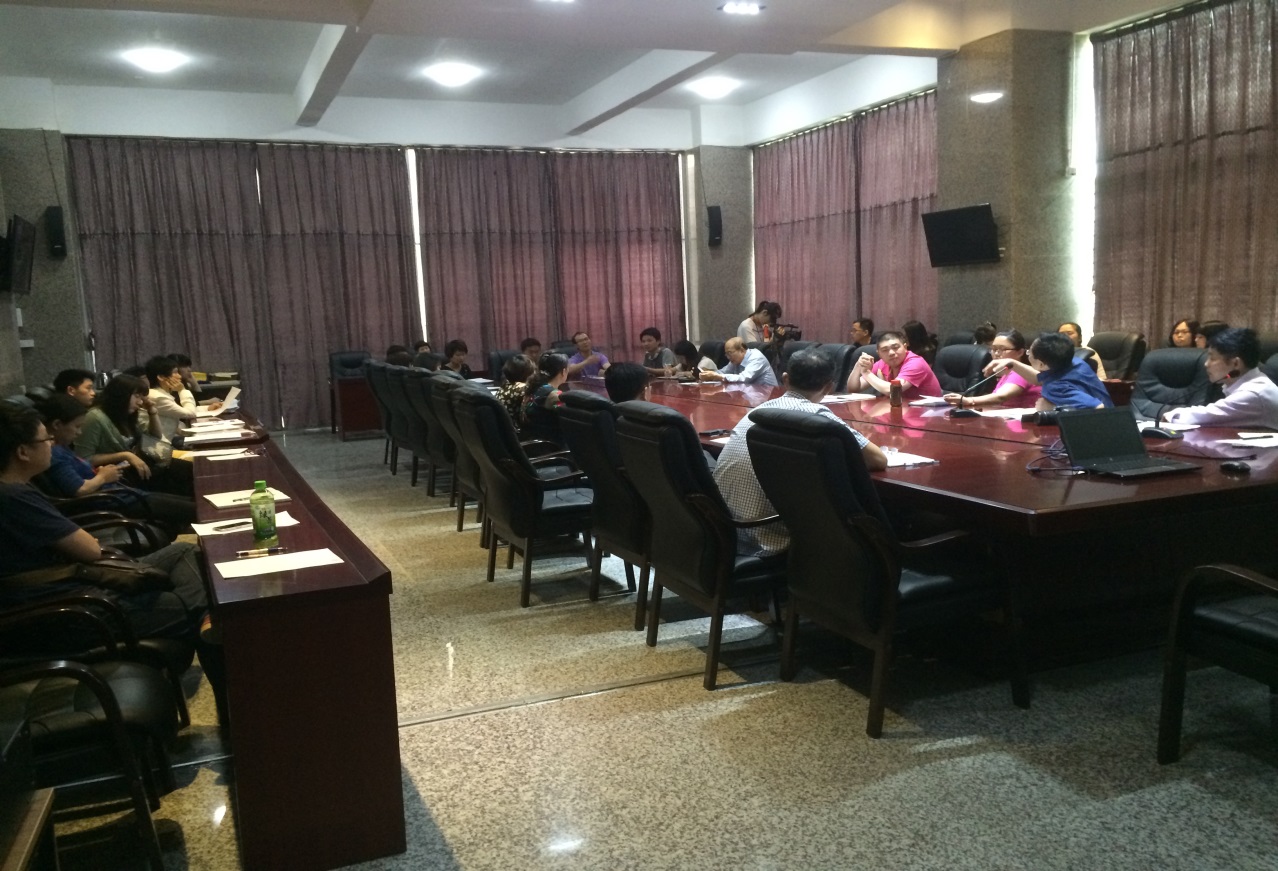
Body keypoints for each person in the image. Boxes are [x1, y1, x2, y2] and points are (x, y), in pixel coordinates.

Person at [0, 402, 226, 720]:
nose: (51, 444)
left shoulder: (15, 490)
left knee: (184, 552)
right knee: (210, 610)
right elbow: (90, 550)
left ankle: (205, 615)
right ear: (23, 452)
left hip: (74, 588)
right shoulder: (13, 499)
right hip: (72, 613)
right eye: (45, 440)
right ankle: (230, 700)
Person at [712, 348, 887, 557]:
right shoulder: (816, 417)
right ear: (829, 387)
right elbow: (878, 459)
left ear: (785, 379)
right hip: (773, 541)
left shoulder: (758, 412)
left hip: (725, 533)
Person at [37, 394, 197, 536]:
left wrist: (100, 472)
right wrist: (102, 477)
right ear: (57, 424)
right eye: (77, 427)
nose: (79, 432)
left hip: (123, 494)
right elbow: (80, 489)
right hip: (113, 503)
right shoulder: (54, 454)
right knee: (194, 509)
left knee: (191, 503)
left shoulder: (62, 447)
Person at [1163, 328, 1278, 428]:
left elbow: (1204, 416)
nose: (1206, 364)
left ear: (1236, 363)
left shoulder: (1253, 394)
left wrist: (1170, 415)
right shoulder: (1254, 384)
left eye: (1212, 358)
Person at [988, 331, 1112, 411]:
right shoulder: (1075, 362)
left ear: (1041, 364)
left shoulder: (1055, 387)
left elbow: (1098, 407)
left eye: (1029, 353)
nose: (1028, 354)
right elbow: (1038, 378)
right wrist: (1013, 364)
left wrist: (1053, 407)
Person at [75, 374, 158, 481]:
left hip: (137, 467)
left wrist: (152, 412)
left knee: (178, 464)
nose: (140, 402)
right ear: (121, 395)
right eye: (137, 396)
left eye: (142, 397)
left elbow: (155, 437)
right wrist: (125, 455)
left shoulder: (126, 414)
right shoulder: (94, 417)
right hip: (117, 476)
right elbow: (83, 458)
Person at [943, 329, 1041, 410]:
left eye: (1003, 349)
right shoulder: (1004, 374)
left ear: (1020, 352)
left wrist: (969, 400)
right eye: (994, 349)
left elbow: (1000, 397)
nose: (997, 354)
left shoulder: (1020, 373)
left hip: (1023, 424)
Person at [848, 331, 943, 399]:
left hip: (927, 413)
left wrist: (866, 373)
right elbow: (853, 389)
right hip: (900, 409)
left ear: (905, 347)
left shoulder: (915, 363)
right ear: (879, 353)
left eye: (895, 347)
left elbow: (893, 390)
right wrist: (858, 366)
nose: (891, 353)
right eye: (885, 350)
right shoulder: (882, 363)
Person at [144, 355, 195, 444]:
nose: (179, 376)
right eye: (175, 373)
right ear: (161, 377)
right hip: (159, 446)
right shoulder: (158, 397)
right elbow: (191, 414)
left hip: (165, 442)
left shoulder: (159, 394)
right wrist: (182, 390)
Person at [522, 353, 570, 443]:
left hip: (533, 440)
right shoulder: (554, 395)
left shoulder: (537, 387)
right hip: (550, 445)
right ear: (563, 372)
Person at [700, 337, 779, 387]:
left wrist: (718, 376)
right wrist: (707, 374)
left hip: (768, 397)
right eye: (726, 354)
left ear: (741, 350)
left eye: (730, 353)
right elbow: (723, 372)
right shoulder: (735, 361)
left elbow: (743, 379)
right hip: (750, 394)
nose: (728, 357)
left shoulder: (756, 358)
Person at [495, 354, 536, 420]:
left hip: (504, 424)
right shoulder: (522, 388)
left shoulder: (506, 385)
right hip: (515, 425)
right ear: (528, 372)